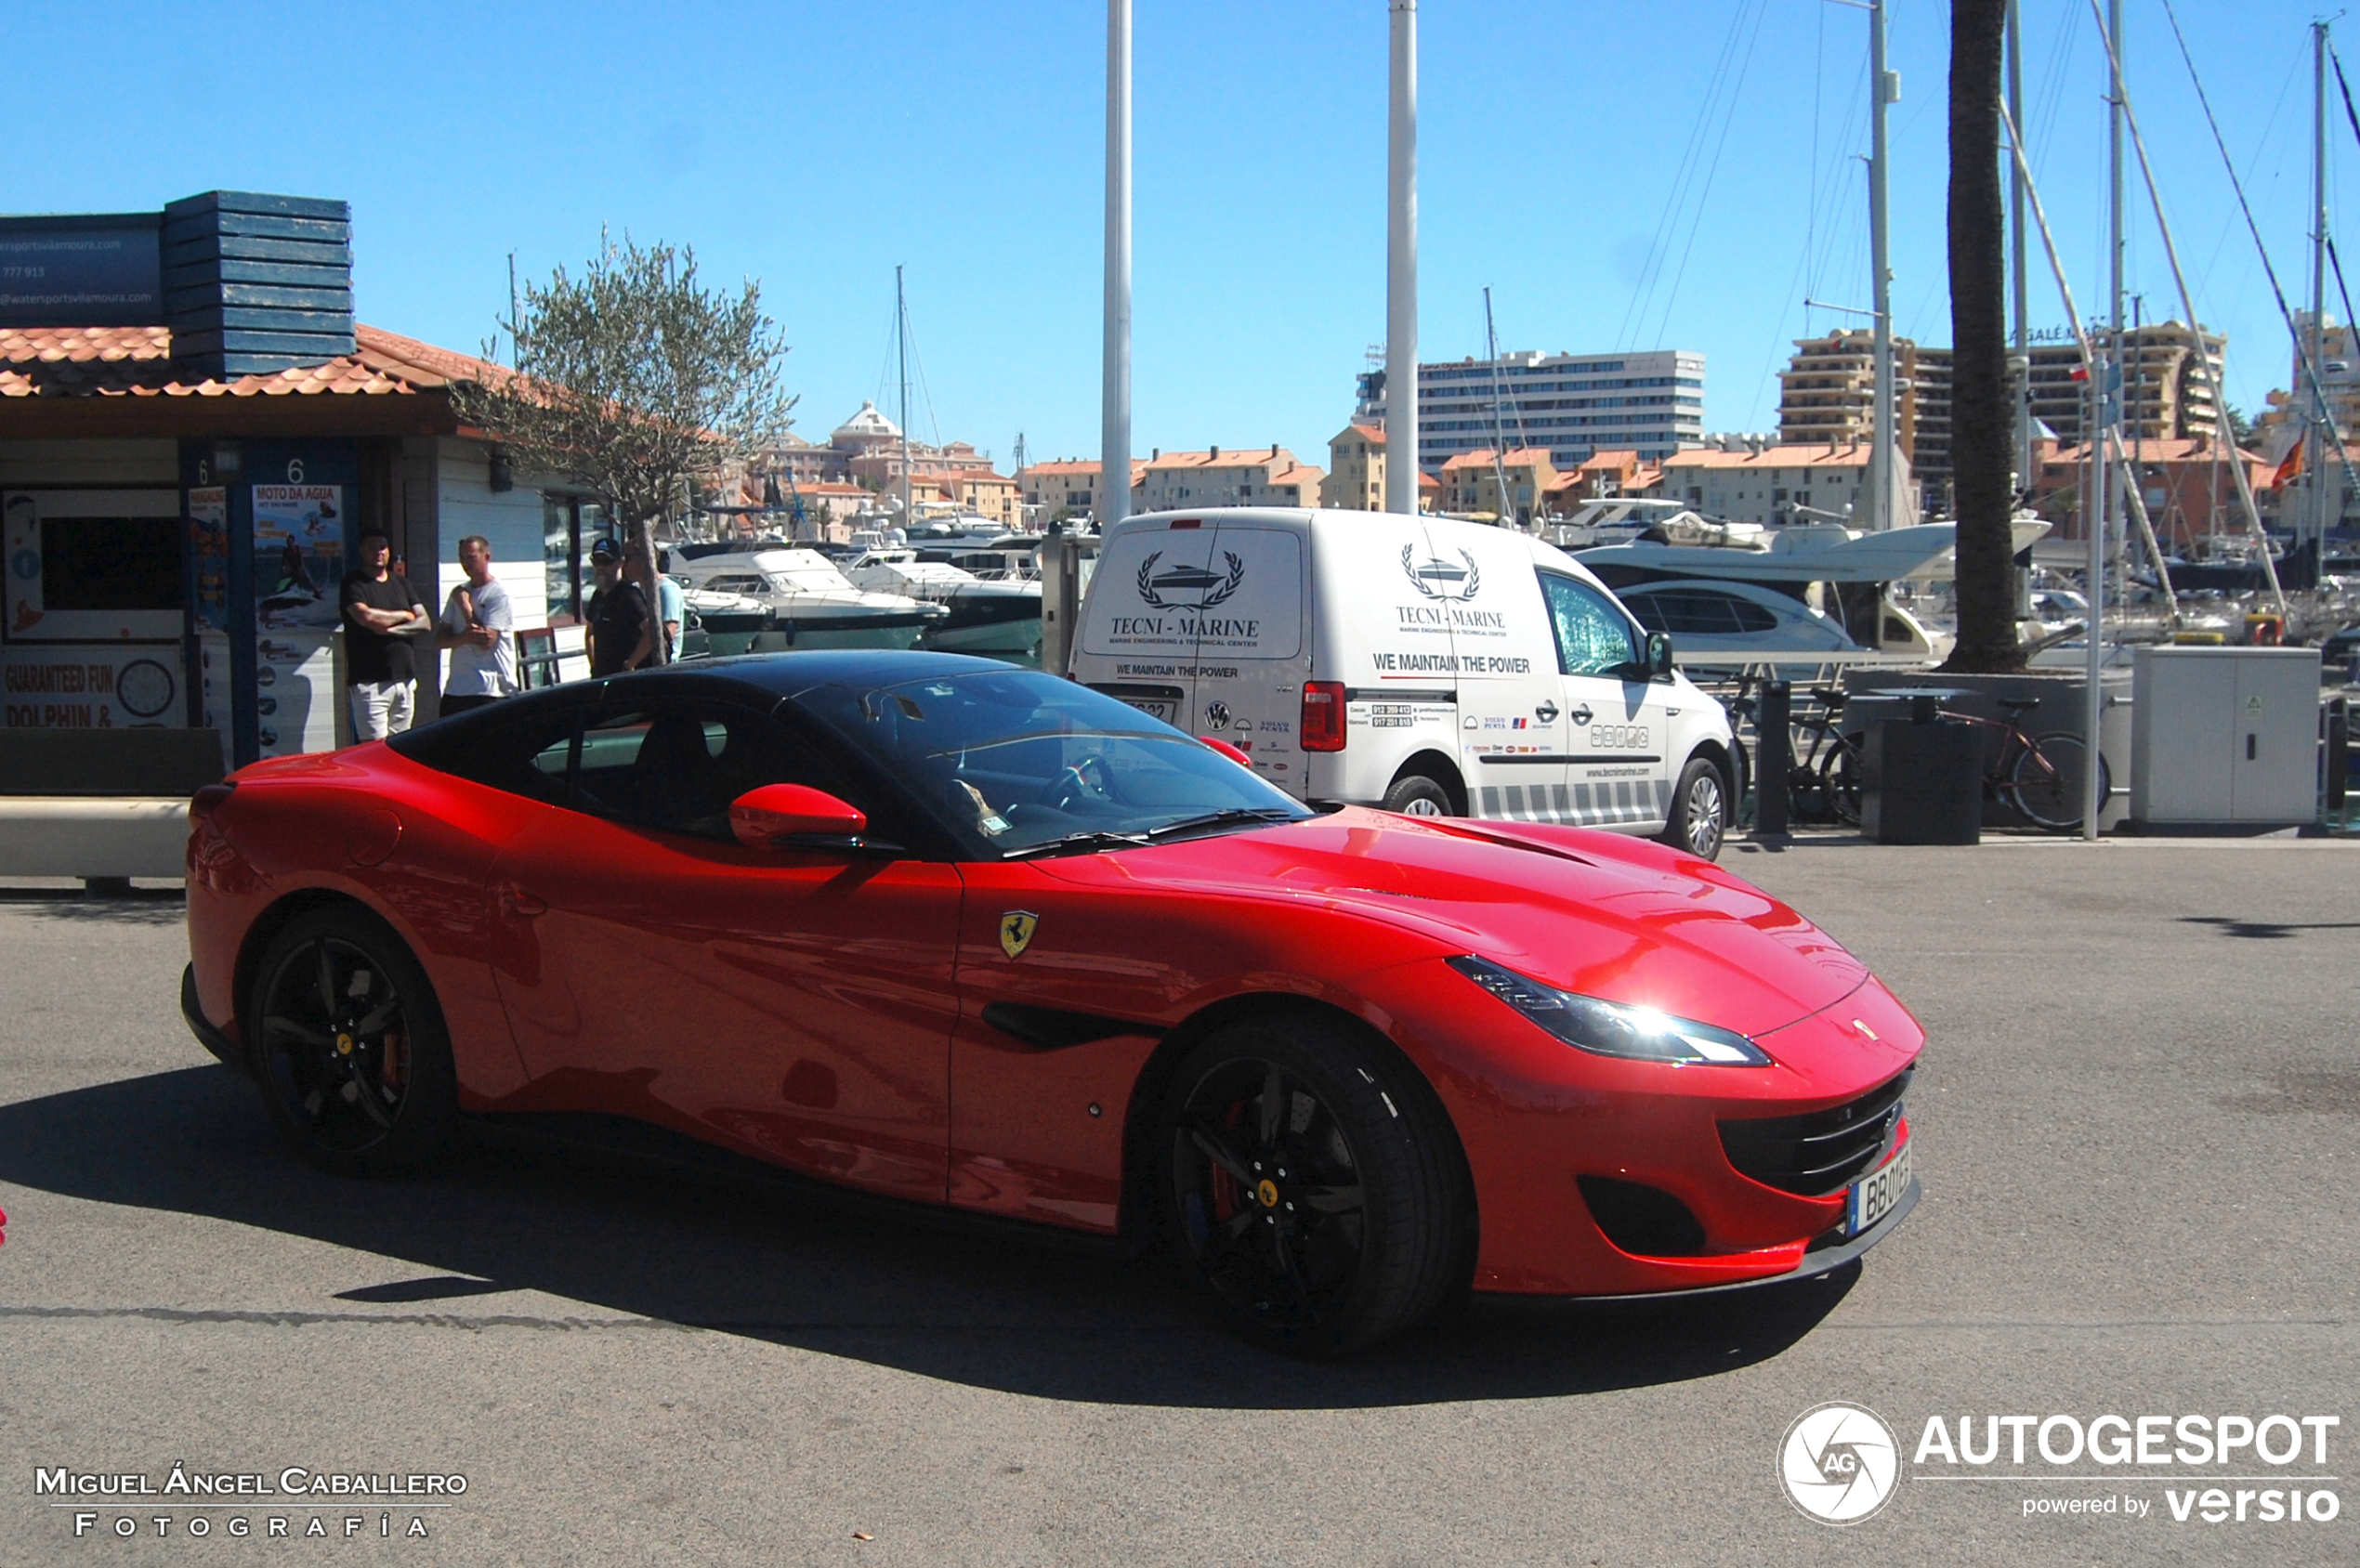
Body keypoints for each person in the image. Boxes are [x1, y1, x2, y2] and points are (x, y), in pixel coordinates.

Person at [340, 528, 428, 739]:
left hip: (404, 679)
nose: (378, 552)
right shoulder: (353, 584)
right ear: (362, 551)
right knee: (374, 749)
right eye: (372, 548)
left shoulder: (402, 583)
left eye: (382, 547)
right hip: (370, 682)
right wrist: (405, 615)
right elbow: (366, 617)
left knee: (402, 747)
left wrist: (391, 629)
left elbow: (424, 622)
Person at [435, 535, 516, 715]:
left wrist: (465, 606)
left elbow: (486, 641)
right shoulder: (459, 592)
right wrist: (463, 637)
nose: (466, 563)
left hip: (489, 689)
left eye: (471, 557)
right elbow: (440, 640)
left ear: (486, 557)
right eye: (462, 557)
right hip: (457, 689)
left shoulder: (498, 594)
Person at [585, 538, 652, 678]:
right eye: (596, 561)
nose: (600, 567)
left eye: (606, 561)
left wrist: (630, 664)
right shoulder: (598, 595)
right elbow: (590, 632)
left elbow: (651, 632)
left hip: (626, 679)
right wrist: (594, 665)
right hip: (602, 677)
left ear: (620, 563)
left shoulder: (628, 595)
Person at [654, 548, 686, 662]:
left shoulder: (667, 590)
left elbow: (667, 637)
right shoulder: (635, 589)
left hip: (664, 665)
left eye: (628, 557)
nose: (624, 562)